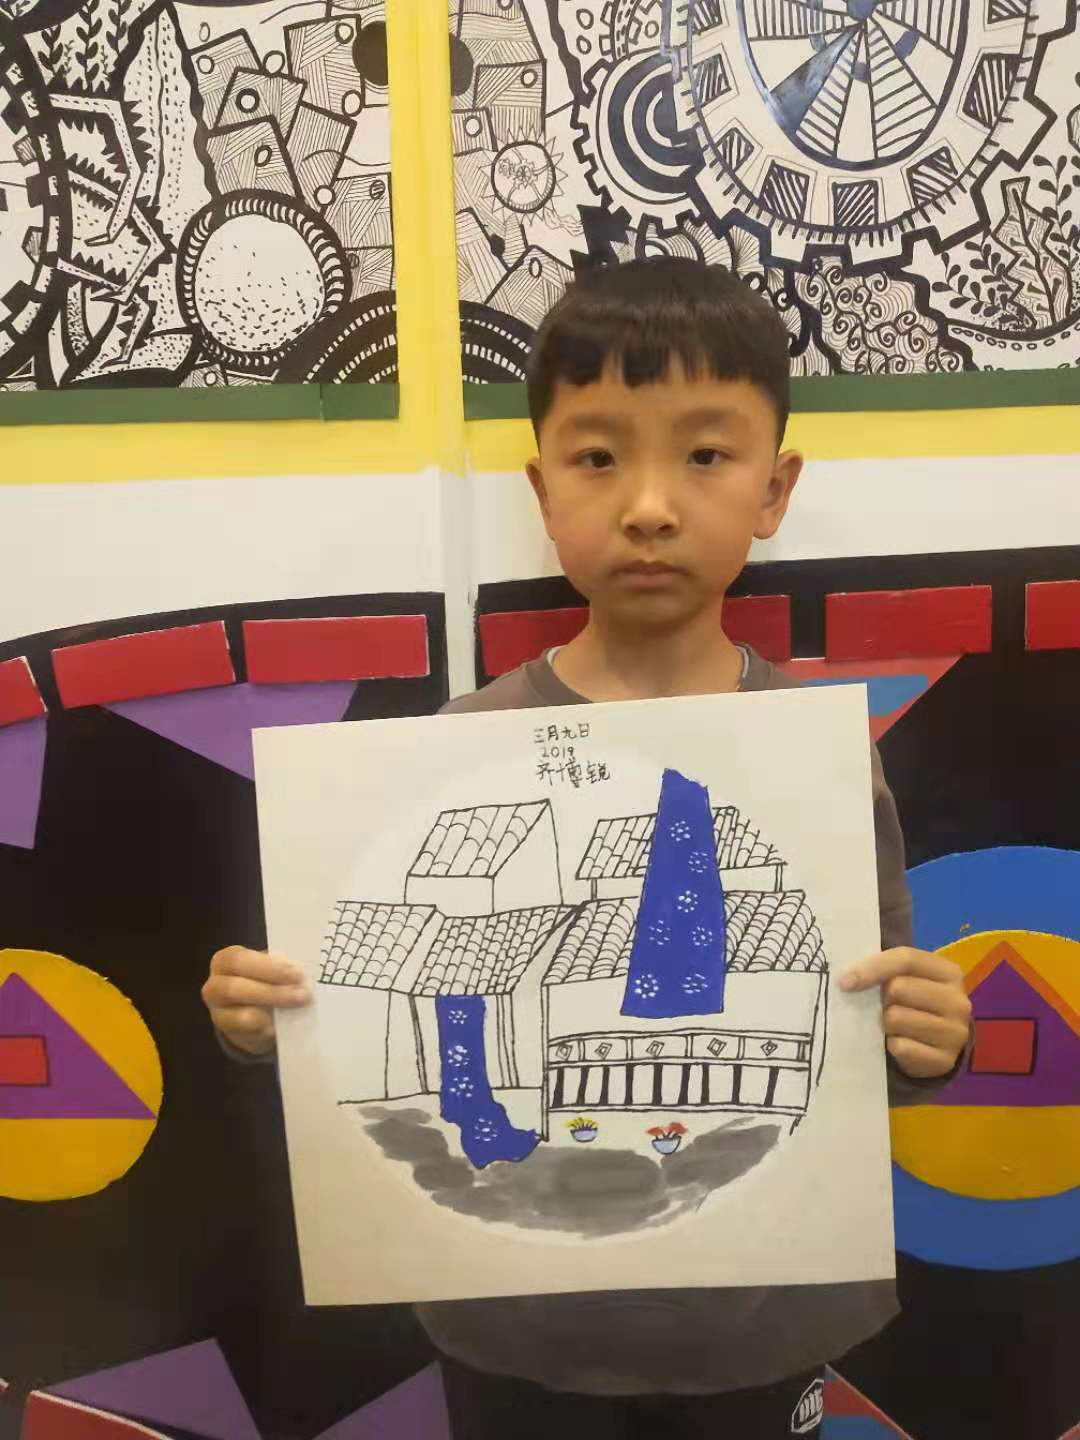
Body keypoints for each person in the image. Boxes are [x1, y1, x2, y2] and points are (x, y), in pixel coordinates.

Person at [203, 258, 972, 1438]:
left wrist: (929, 1042)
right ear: (542, 487)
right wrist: (264, 1026)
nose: (649, 505)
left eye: (704, 455)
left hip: (763, 1320)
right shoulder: (455, 751)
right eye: (599, 457)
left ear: (775, 488)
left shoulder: (821, 757)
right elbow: (354, 1005)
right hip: (514, 1329)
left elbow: (877, 1020)